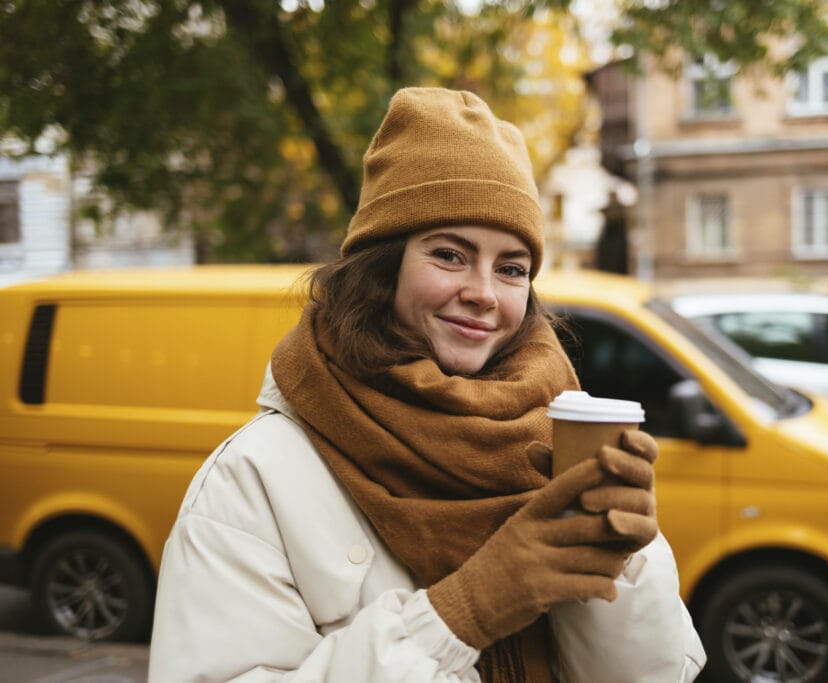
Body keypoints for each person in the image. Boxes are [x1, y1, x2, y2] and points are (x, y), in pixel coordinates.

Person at [148, 87, 706, 682]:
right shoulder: (252, 478)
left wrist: (626, 562)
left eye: (512, 268)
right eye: (449, 254)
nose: (484, 293)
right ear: (382, 268)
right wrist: (461, 614)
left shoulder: (556, 438)